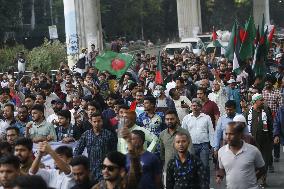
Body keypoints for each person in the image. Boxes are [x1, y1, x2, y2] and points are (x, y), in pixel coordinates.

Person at [217, 122, 266, 188]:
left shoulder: (253, 151)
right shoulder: (221, 151)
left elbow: (262, 169)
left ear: (240, 135)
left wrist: (253, 180)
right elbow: (222, 168)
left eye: (231, 134)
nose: (228, 137)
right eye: (226, 134)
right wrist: (220, 176)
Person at [74, 112, 117, 182]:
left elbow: (114, 152)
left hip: (105, 169)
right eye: (94, 121)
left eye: (99, 121)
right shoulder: (86, 135)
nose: (97, 124)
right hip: (90, 170)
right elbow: (77, 151)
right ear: (91, 122)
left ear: (102, 121)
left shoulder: (109, 134)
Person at [181, 98, 214, 182]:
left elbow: (211, 132)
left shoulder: (206, 118)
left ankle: (206, 185)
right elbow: (183, 133)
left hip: (204, 145)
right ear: (191, 107)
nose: (194, 107)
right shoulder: (186, 118)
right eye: (193, 105)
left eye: (196, 106)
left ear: (200, 107)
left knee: (205, 166)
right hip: (191, 146)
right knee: (192, 166)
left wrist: (213, 146)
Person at [245, 93, 273, 186]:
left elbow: (270, 125)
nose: (263, 102)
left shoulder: (266, 111)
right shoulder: (248, 112)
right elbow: (244, 127)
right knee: (252, 163)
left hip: (265, 141)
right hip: (252, 142)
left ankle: (264, 182)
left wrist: (272, 139)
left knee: (264, 162)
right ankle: (253, 181)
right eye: (261, 100)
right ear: (255, 102)